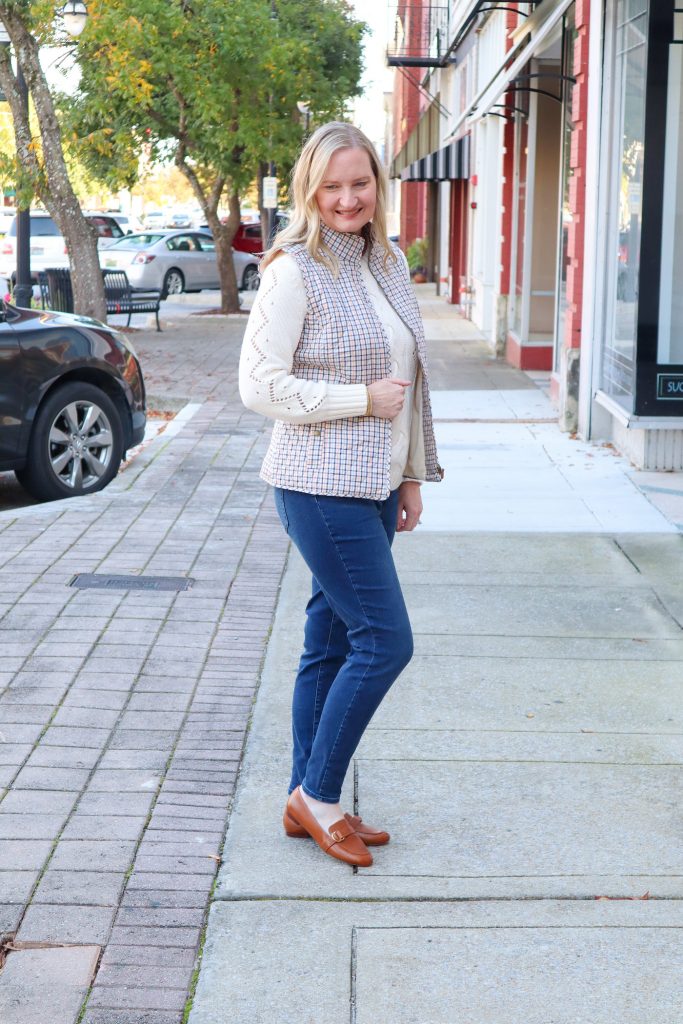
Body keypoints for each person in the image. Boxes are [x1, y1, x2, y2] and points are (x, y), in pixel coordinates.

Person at [239, 121, 442, 869]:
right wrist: (357, 398)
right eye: (332, 186)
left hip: (376, 486)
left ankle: (302, 796)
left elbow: (410, 379)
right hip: (316, 486)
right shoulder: (293, 270)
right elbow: (258, 387)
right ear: (309, 191)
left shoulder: (383, 260)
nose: (347, 198)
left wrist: (412, 475)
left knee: (327, 643)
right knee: (385, 641)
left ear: (377, 187)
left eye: (359, 183)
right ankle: (318, 795)